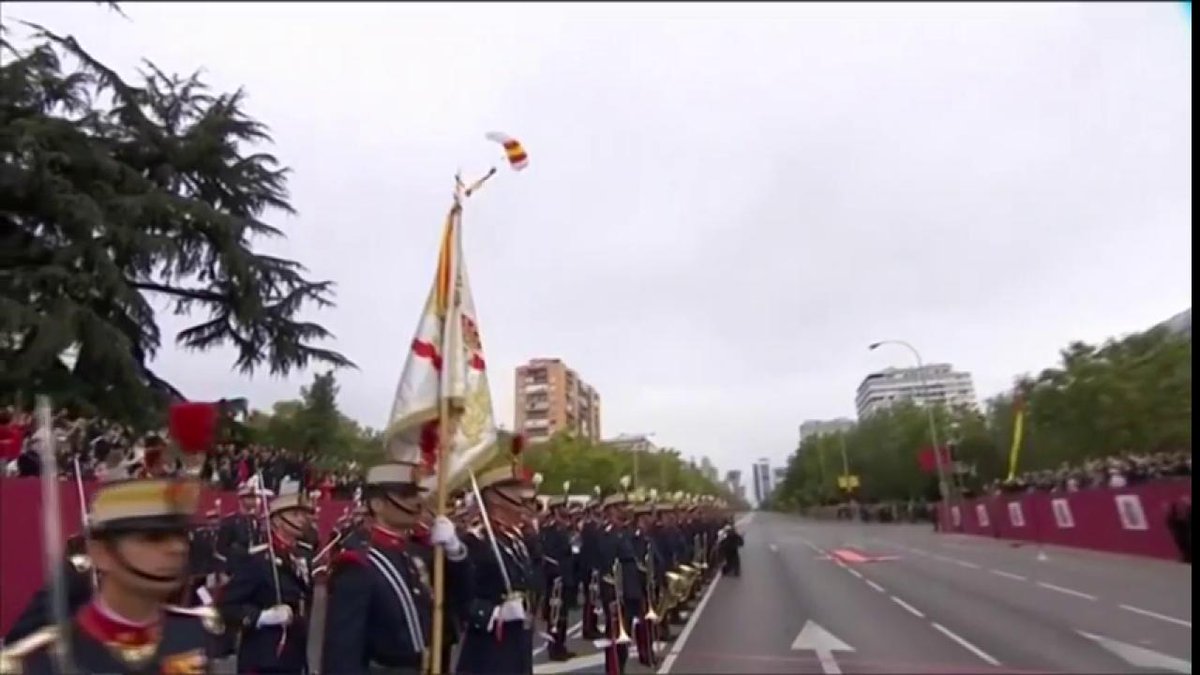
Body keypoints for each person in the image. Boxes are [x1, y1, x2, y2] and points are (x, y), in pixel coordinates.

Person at [0, 475, 223, 674]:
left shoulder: (193, 632)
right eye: (153, 538)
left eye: (180, 536)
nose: (177, 549)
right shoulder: (41, 660)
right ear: (101, 553)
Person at [321, 461, 472, 675]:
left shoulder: (418, 551)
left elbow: (461, 598)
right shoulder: (358, 563)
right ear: (377, 504)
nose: (416, 502)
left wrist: (455, 551)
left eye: (416, 495)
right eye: (405, 496)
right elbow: (342, 651)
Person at [456, 456, 539, 675]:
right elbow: (461, 597)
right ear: (496, 498)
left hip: (518, 639)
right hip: (489, 647)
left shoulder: (515, 537)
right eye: (513, 490)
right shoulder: (476, 541)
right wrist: (495, 614)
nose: (521, 498)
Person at [218, 488, 315, 674]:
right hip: (264, 657)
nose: (302, 520)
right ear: (277, 520)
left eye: (304, 514)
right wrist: (261, 617)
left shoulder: (302, 555)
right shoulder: (258, 560)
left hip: (293, 655)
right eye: (295, 514)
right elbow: (228, 605)